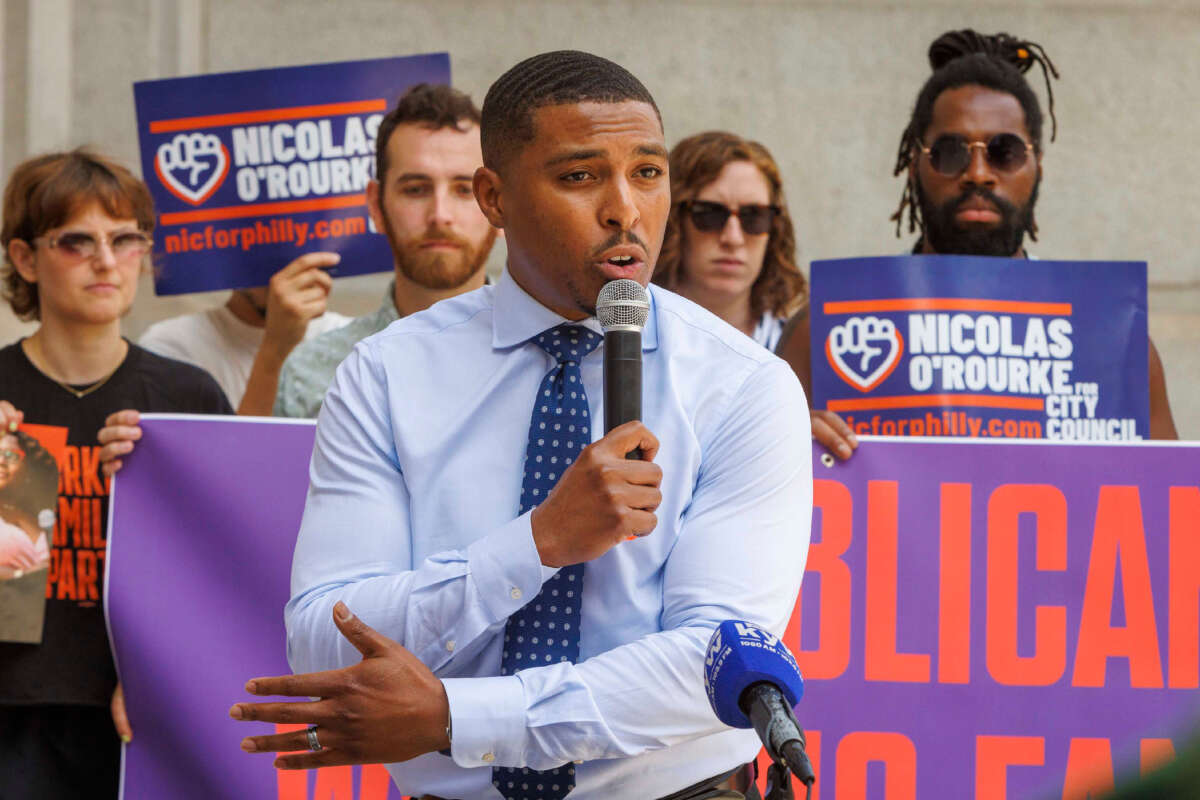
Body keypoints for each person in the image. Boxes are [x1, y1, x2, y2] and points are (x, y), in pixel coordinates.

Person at [229, 51, 812, 800]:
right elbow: (324, 633)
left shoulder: (745, 384)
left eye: (647, 172)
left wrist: (455, 718)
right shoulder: (387, 374)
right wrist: (536, 544)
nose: (625, 210)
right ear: (494, 197)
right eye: (579, 176)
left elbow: (715, 657)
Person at [776, 29, 1179, 458]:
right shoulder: (821, 332)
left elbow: (1172, 512)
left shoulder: (1115, 343)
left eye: (1004, 151)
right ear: (914, 167)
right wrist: (778, 445)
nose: (979, 173)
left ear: (1037, 167)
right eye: (951, 151)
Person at [0, 149, 231, 799]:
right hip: (13, 711)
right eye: (77, 241)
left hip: (147, 712)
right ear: (25, 258)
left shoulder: (187, 396)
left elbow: (224, 570)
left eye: (125, 239)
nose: (106, 260)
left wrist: (169, 669)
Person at [271, 82, 499, 418]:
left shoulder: (554, 360)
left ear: (497, 203)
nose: (440, 215)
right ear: (376, 206)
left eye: (464, 190)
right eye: (416, 189)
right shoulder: (312, 375)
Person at [138, 252, 351, 413]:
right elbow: (224, 469)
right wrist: (275, 351)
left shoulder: (353, 342)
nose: (278, 273)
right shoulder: (169, 347)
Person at [652, 131, 806, 350]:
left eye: (754, 216)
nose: (733, 238)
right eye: (710, 214)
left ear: (774, 229)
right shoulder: (620, 346)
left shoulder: (802, 354)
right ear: (673, 220)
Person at [0, 430, 56, 577]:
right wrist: (20, 575)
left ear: (26, 467)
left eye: (10, 456)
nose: (1, 461)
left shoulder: (39, 512)